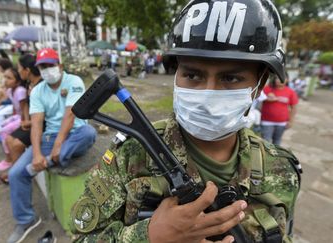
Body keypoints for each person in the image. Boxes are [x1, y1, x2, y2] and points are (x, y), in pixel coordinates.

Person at [70, 1, 301, 242]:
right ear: (176, 75)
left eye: (230, 78)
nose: (208, 94)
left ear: (259, 84)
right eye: (192, 75)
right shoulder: (131, 155)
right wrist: (148, 236)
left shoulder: (282, 170)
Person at [6, 48, 97, 243]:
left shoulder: (74, 81)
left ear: (60, 66)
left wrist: (58, 145)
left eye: (50, 65)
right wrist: (37, 154)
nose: (47, 70)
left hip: (75, 134)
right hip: (49, 138)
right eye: (43, 67)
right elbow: (37, 123)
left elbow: (70, 114)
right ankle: (26, 219)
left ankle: (52, 159)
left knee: (89, 133)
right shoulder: (38, 90)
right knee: (15, 174)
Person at [0, 54, 43, 185]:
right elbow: (25, 104)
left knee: (16, 145)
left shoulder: (42, 85)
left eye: (20, 68)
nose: (18, 71)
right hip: (30, 122)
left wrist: (30, 122)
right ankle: (14, 172)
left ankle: (15, 176)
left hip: (41, 123)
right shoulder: (28, 84)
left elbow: (46, 114)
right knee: (9, 139)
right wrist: (25, 120)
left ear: (27, 70)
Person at [261, 75, 298, 145]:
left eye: (283, 78)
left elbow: (294, 108)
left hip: (282, 122)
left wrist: (291, 121)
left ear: (287, 80)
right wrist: (270, 99)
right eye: (277, 78)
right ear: (274, 79)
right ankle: (265, 156)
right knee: (265, 142)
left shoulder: (290, 92)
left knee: (277, 141)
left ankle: (276, 155)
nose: (280, 80)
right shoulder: (267, 89)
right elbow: (259, 98)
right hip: (266, 121)